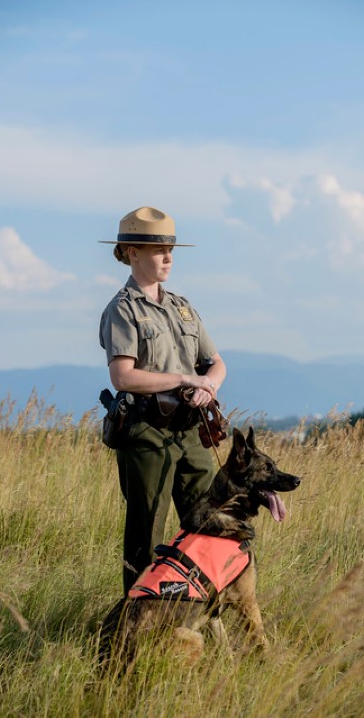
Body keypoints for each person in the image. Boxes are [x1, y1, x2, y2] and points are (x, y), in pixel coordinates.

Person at [99, 206, 226, 594]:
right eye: (157, 249)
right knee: (146, 530)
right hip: (147, 433)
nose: (168, 256)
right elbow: (123, 376)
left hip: (192, 429)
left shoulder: (183, 307)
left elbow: (216, 363)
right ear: (131, 253)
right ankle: (136, 619)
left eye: (170, 248)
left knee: (209, 524)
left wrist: (209, 385)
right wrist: (186, 378)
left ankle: (204, 611)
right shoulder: (122, 309)